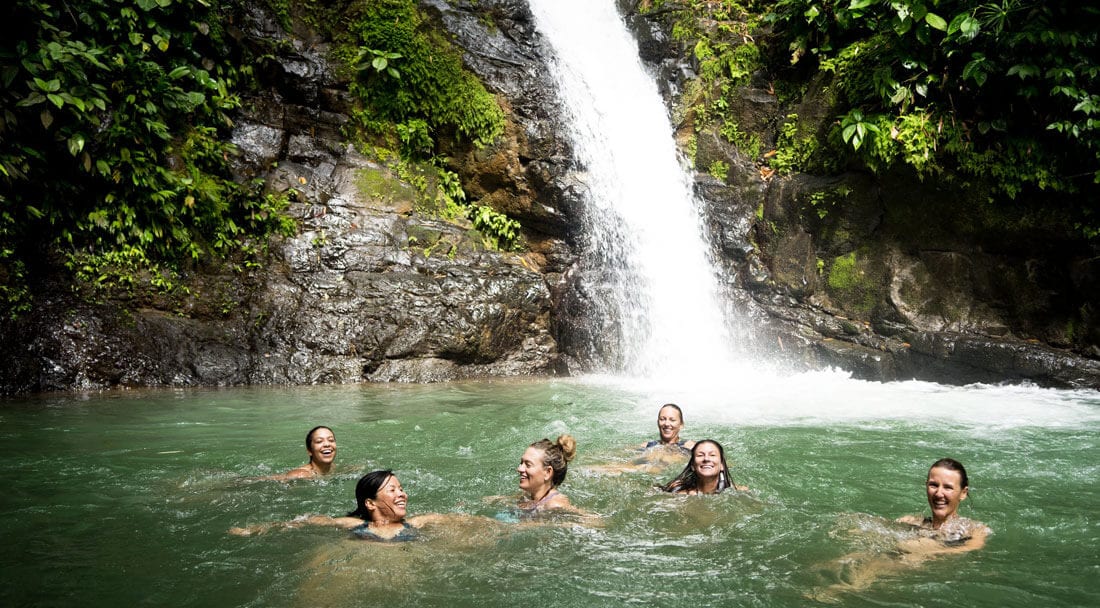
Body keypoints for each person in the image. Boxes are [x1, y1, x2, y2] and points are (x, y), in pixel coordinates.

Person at [808, 458, 991, 600]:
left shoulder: (973, 529)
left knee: (881, 563)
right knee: (848, 558)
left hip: (930, 570)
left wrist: (926, 547)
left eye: (948, 487)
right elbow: (880, 533)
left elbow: (971, 548)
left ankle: (841, 590)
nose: (939, 493)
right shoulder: (911, 521)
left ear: (963, 493)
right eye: (933, 485)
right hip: (904, 556)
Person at [230, 469, 477, 541]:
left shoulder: (418, 522)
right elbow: (310, 521)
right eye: (393, 490)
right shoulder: (356, 524)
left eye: (401, 489)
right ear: (370, 503)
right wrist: (262, 527)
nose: (402, 494)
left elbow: (463, 520)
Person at [659, 439, 747, 494]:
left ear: (722, 466)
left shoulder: (739, 493)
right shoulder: (679, 494)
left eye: (712, 455)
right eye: (700, 455)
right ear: (693, 465)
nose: (706, 459)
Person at [516, 434, 577, 512]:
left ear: (547, 472)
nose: (519, 469)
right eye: (521, 463)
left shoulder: (556, 506)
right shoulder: (528, 495)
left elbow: (591, 520)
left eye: (528, 465)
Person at [263, 426, 338, 480]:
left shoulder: (336, 469)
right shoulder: (301, 475)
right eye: (319, 441)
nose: (327, 444)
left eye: (331, 440)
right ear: (309, 451)